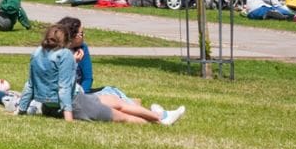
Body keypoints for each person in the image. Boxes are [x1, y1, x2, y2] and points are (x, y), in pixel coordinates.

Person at [13, 25, 182, 124]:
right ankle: (161, 120)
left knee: (116, 100)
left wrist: (21, 110)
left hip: (53, 106)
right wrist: (68, 118)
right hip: (76, 104)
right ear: (64, 41)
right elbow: (64, 88)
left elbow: (30, 85)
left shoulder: (37, 54)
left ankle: (160, 115)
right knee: (123, 116)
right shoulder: (64, 55)